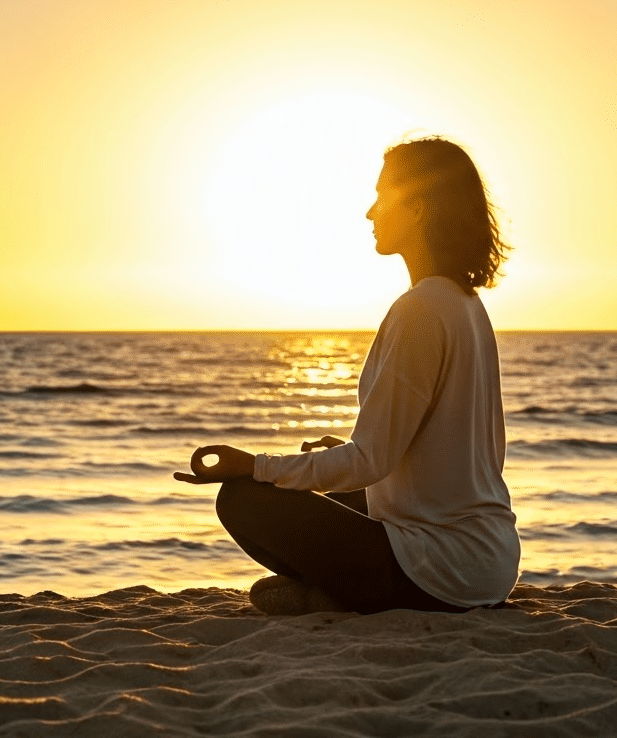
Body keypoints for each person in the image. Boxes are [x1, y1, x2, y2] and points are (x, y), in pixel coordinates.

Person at [174, 136, 519, 615]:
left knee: (244, 499)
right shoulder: (464, 305)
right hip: (491, 561)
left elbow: (370, 460)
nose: (370, 213)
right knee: (334, 490)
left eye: (382, 197)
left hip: (442, 572)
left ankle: (337, 597)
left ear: (418, 209)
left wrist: (254, 466)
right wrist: (345, 456)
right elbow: (443, 456)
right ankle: (328, 592)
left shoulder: (419, 310)